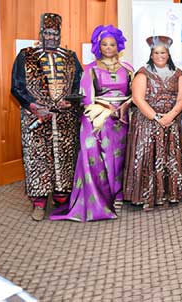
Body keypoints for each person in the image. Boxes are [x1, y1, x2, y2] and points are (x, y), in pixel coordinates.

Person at [50, 25, 133, 222]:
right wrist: (105, 112)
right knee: (102, 157)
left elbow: (135, 94)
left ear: (118, 46)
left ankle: (118, 193)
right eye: (104, 44)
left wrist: (123, 108)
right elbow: (87, 99)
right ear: (98, 46)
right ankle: (104, 196)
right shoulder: (91, 69)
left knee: (120, 158)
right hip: (99, 119)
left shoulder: (128, 69)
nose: (108, 47)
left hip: (122, 117)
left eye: (112, 44)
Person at [11, 13, 83, 221]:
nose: (51, 37)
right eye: (47, 33)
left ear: (60, 34)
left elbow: (79, 84)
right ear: (41, 33)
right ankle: (39, 203)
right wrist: (33, 106)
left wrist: (72, 101)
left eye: (55, 33)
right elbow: (16, 87)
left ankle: (62, 198)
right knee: (38, 158)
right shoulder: (26, 56)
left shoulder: (71, 57)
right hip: (36, 118)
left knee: (64, 158)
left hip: (64, 119)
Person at [123, 35, 182, 211]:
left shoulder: (178, 74)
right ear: (151, 55)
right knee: (148, 157)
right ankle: (146, 195)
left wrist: (171, 116)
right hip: (147, 124)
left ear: (168, 54)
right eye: (156, 52)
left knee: (170, 158)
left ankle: (170, 193)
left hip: (171, 123)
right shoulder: (142, 73)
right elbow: (138, 99)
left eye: (163, 52)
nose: (160, 55)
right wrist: (157, 118)